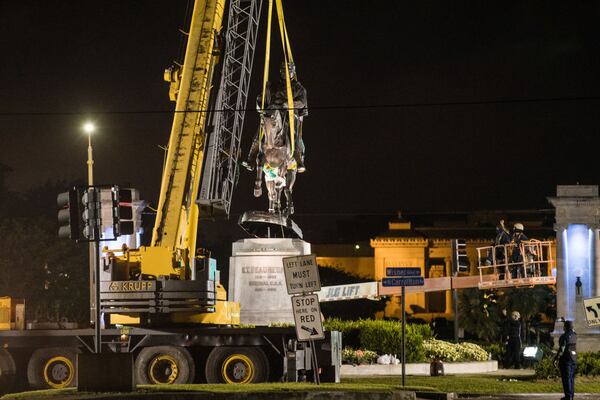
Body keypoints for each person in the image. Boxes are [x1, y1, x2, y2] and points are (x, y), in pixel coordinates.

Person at [244, 61, 308, 173]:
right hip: (273, 110)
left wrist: (288, 105)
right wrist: (261, 107)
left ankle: (298, 159)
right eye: (283, 71)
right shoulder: (272, 85)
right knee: (261, 130)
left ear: (293, 72)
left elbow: (302, 102)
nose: (285, 74)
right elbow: (260, 98)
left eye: (288, 72)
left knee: (295, 134)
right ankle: (251, 158)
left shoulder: (298, 88)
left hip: (290, 114)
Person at [554, 320, 577, 400]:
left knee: (566, 379)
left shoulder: (564, 336)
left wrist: (556, 358)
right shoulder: (574, 335)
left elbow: (562, 349)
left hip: (566, 359)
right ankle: (571, 395)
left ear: (564, 327)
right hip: (574, 359)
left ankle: (568, 396)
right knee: (571, 379)